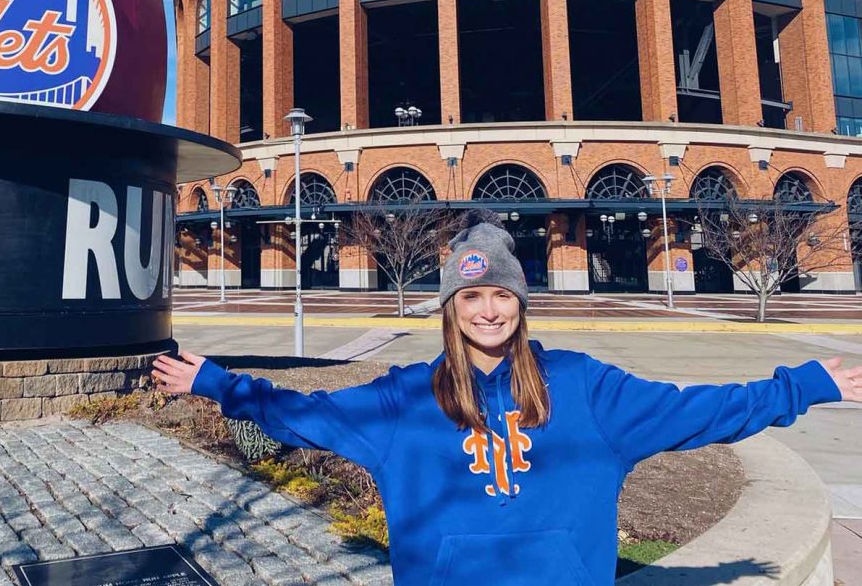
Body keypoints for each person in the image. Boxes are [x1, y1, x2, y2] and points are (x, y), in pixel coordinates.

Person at [153, 209, 861, 586]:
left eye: (501, 295)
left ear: (521, 303)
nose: (489, 311)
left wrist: (802, 385)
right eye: (472, 296)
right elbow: (302, 416)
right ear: (450, 307)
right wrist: (218, 382)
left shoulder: (586, 388)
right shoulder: (405, 400)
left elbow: (696, 411)